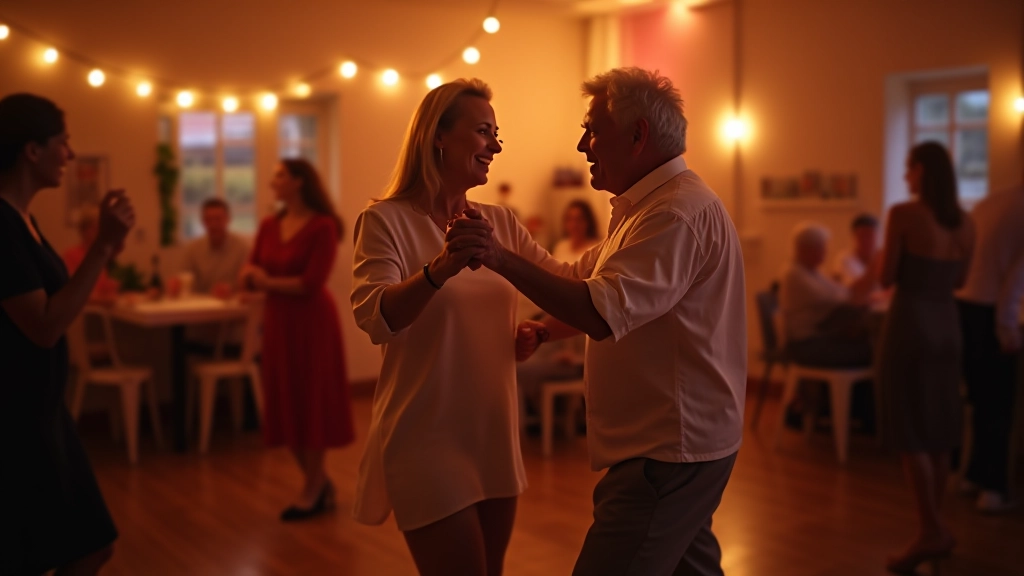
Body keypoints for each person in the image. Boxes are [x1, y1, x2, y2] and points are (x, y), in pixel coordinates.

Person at [449, 67, 747, 576]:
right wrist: (546, 328)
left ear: (638, 136)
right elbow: (579, 280)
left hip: (667, 452)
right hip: (680, 445)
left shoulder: (673, 214)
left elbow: (601, 311)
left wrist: (498, 257)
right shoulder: (644, 208)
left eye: (592, 129)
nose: (582, 145)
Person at [350, 78, 570, 576]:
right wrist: (442, 266)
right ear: (439, 137)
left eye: (497, 134)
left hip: (493, 430)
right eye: (483, 131)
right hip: (428, 436)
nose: (495, 145)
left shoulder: (501, 221)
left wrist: (632, 240)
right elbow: (376, 318)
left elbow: (564, 281)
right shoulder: (385, 221)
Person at [0, 93, 134, 575]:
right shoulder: (1, 226)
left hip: (44, 412)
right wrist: (101, 246)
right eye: (63, 142)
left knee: (90, 546)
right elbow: (45, 326)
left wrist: (107, 246)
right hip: (16, 422)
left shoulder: (24, 221)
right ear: (31, 151)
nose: (70, 155)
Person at [876, 141, 976, 573]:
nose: (904, 177)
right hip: (948, 326)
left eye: (908, 169)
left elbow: (885, 276)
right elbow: (961, 281)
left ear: (923, 172)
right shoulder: (966, 223)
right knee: (936, 427)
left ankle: (930, 531)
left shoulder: (904, 214)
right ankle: (933, 528)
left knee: (910, 429)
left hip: (911, 324)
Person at [241, 158, 354, 521]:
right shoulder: (268, 225)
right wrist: (253, 277)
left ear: (299, 182)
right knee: (285, 397)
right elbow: (250, 267)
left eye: (279, 176)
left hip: (312, 323)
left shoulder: (322, 226)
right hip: (278, 321)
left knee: (312, 399)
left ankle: (311, 488)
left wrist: (266, 282)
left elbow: (310, 283)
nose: (273, 182)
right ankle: (318, 482)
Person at [955, 180, 1024, 513]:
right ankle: (994, 489)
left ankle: (972, 476)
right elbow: (1015, 280)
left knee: (979, 399)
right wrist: (1007, 328)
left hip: (965, 305)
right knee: (1000, 403)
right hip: (990, 312)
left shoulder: (992, 201)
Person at [517, 199, 601, 419]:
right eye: (570, 219)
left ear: (587, 222)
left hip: (579, 316)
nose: (574, 224)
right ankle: (537, 414)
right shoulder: (562, 246)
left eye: (579, 219)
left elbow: (589, 297)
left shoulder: (595, 247)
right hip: (558, 310)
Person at [779, 222, 876, 368]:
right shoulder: (794, 274)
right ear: (805, 249)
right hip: (806, 344)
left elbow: (844, 292)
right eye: (821, 247)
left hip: (818, 337)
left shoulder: (812, 272)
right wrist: (873, 272)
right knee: (874, 350)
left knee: (871, 342)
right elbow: (841, 299)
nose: (825, 251)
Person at [179, 197, 248, 298]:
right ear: (203, 221)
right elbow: (185, 279)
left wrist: (231, 289)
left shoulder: (242, 248)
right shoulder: (193, 249)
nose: (213, 224)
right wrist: (177, 284)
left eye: (218, 219)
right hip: (202, 306)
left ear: (228, 219)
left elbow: (248, 283)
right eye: (209, 219)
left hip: (231, 305)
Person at [62, 203, 120, 303]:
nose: (103, 233)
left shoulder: (98, 256)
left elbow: (104, 289)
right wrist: (105, 299)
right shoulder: (71, 256)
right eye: (98, 228)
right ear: (85, 230)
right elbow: (73, 296)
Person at [833, 213, 880, 287]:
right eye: (862, 236)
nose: (866, 240)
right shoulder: (844, 259)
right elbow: (851, 290)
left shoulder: (884, 258)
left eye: (870, 236)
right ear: (854, 236)